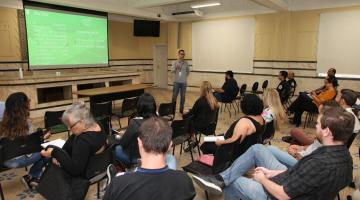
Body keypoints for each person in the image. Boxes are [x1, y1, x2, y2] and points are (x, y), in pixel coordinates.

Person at [193, 107, 354, 200]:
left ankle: (224, 181)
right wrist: (272, 172)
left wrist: (263, 179)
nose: (315, 127)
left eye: (318, 125)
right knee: (258, 149)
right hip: (290, 180)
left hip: (277, 193)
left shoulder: (320, 163)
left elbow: (283, 195)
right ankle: (220, 178)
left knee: (235, 182)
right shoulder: (345, 158)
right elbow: (305, 176)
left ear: (327, 132)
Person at [104, 117, 196, 200]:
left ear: (139, 142)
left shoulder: (118, 185)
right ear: (170, 145)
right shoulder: (185, 181)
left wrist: (121, 179)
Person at [40, 102, 107, 178]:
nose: (68, 129)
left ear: (82, 122)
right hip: (97, 165)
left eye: (71, 126)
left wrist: (55, 153)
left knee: (49, 163)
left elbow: (75, 171)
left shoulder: (83, 142)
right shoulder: (97, 124)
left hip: (86, 173)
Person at [268, 100, 340, 168]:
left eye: (320, 113)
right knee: (266, 150)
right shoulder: (328, 134)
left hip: (302, 163)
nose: (316, 124)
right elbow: (315, 145)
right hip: (303, 155)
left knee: (266, 149)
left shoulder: (327, 137)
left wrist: (296, 154)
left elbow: (313, 161)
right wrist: (302, 148)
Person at [0, 92, 50, 190]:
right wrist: (43, 137)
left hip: (4, 161)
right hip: (19, 160)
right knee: (49, 151)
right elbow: (32, 146)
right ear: (24, 106)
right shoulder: (27, 123)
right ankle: (32, 176)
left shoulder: (2, 125)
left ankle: (32, 177)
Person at [114, 93, 176, 169]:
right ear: (153, 106)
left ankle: (125, 170)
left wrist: (124, 135)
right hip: (156, 155)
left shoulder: (134, 123)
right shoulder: (160, 122)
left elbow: (123, 144)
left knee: (116, 149)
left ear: (139, 107)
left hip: (136, 158)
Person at [200, 94, 265, 161]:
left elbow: (233, 143)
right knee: (210, 140)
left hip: (231, 153)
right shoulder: (261, 119)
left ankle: (213, 163)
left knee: (205, 145)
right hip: (244, 152)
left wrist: (220, 142)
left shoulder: (245, 122)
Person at [286, 89, 360, 146]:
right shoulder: (350, 114)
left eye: (339, 97)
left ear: (343, 101)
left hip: (325, 145)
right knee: (296, 138)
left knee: (294, 132)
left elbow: (326, 136)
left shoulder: (342, 116)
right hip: (333, 145)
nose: (337, 98)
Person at [171, 49, 190, 114]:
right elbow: (172, 71)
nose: (182, 55)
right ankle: (172, 109)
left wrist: (184, 77)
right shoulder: (174, 62)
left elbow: (188, 71)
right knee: (174, 96)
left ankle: (181, 110)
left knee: (183, 97)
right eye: (181, 54)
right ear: (178, 54)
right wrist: (176, 68)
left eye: (183, 54)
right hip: (176, 82)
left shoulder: (186, 63)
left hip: (184, 82)